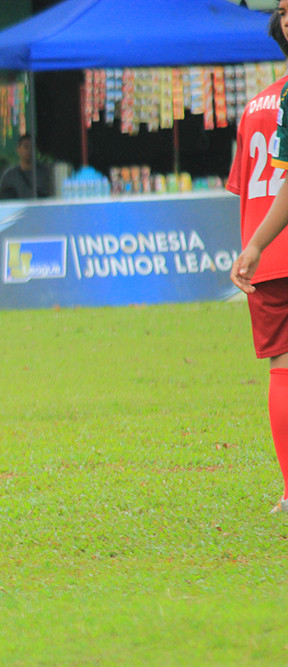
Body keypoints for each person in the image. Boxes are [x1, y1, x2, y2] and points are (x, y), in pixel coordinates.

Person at [228, 0, 288, 515]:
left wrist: (253, 245)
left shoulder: (256, 108)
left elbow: (244, 188)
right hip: (266, 247)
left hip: (269, 258)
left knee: (282, 372)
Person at [0, 133, 51, 200]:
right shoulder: (9, 176)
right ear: (18, 150)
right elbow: (1, 201)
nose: (30, 150)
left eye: (32, 147)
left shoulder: (45, 173)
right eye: (26, 147)